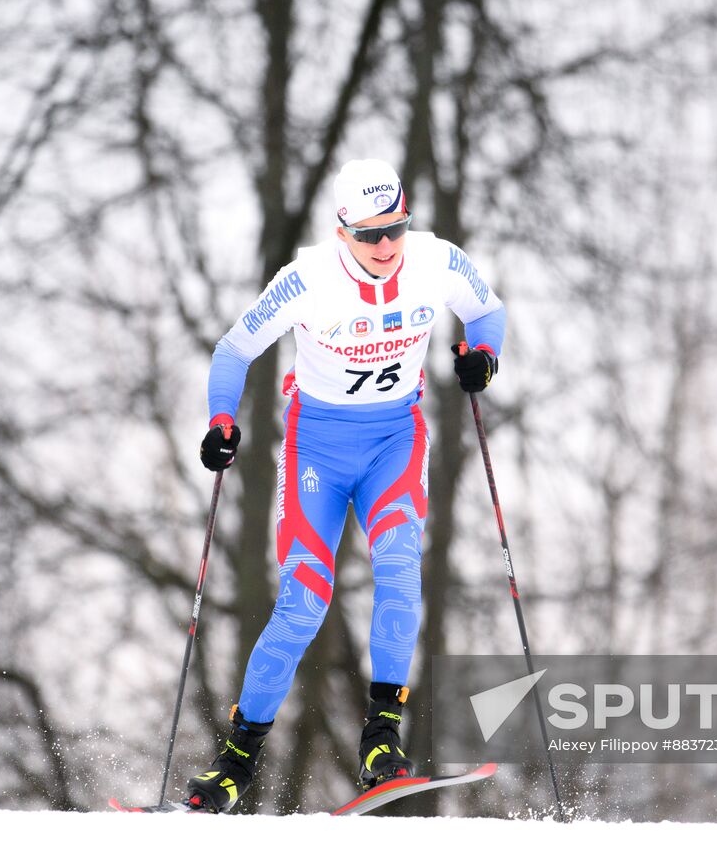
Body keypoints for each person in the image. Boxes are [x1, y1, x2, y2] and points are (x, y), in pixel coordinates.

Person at [184, 158, 505, 813]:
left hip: (395, 440)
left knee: (398, 566)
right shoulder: (306, 278)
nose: (386, 246)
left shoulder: (435, 260)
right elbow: (233, 349)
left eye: (396, 228)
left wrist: (483, 357)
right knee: (303, 601)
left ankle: (382, 741)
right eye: (370, 235)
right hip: (318, 452)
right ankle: (236, 760)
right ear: (341, 231)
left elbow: (488, 312)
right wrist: (221, 420)